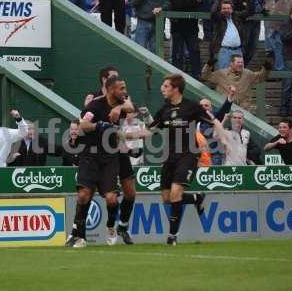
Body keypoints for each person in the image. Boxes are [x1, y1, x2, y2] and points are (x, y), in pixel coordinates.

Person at [149, 74, 226, 246]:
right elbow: (150, 130)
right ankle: (196, 198)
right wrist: (126, 136)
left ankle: (172, 236)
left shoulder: (192, 106)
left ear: (176, 88)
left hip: (189, 155)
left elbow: (215, 121)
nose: (162, 88)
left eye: (166, 86)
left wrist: (226, 139)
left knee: (176, 193)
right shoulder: (164, 110)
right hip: (170, 157)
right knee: (167, 198)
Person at [65, 76, 134, 248]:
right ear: (111, 90)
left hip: (110, 157)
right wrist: (99, 126)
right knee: (83, 195)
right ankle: (77, 236)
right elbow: (83, 125)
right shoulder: (95, 105)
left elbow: (132, 107)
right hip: (90, 156)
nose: (125, 91)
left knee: (111, 199)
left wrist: (118, 107)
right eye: (122, 88)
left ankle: (111, 226)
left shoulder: (121, 103)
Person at [201, 54, 271, 112]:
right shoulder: (221, 74)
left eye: (242, 62)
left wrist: (266, 68)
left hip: (244, 110)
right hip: (226, 108)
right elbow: (206, 76)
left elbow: (260, 77)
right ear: (231, 63)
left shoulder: (248, 74)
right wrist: (208, 65)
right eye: (238, 62)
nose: (240, 64)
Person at [210, 0, 254, 70]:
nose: (226, 10)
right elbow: (213, 12)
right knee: (223, 76)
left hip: (238, 51)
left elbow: (249, 11)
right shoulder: (218, 19)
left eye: (228, 8)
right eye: (224, 8)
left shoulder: (236, 16)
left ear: (232, 9)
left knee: (238, 77)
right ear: (220, 10)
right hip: (223, 51)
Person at [168, 0, 205, 79]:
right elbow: (177, 6)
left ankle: (196, 76)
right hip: (177, 28)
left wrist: (195, 0)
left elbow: (197, 7)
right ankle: (176, 77)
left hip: (192, 28)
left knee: (195, 51)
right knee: (177, 54)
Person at [199, 88, 234, 165]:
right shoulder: (194, 119)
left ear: (211, 108)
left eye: (206, 105)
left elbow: (223, 110)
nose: (203, 107)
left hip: (214, 157)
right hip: (199, 156)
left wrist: (230, 96)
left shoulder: (215, 116)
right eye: (201, 106)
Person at [279, 6, 292, 117]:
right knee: (288, 84)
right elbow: (284, 38)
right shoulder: (285, 24)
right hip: (290, 58)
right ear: (290, 14)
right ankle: (284, 107)